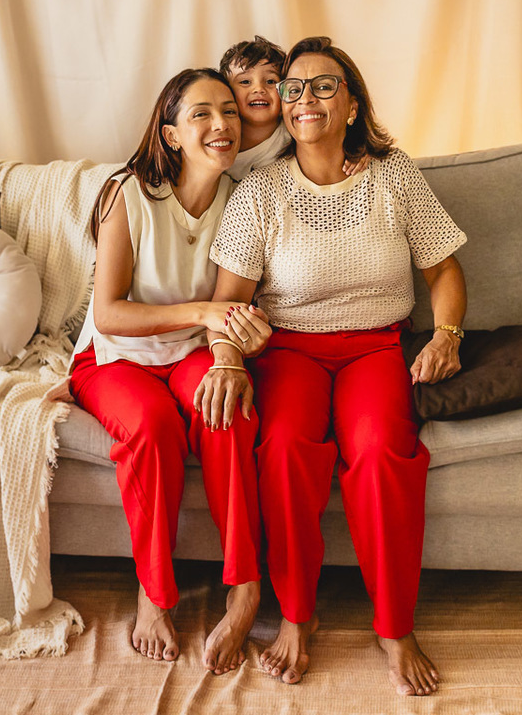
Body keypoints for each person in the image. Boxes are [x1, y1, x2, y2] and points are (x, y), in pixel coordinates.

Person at [200, 37, 468, 697]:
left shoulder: (393, 173)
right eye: (294, 89)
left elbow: (444, 268)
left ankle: (394, 625)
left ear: (351, 103)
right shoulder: (260, 191)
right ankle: (297, 613)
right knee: (286, 446)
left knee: (380, 452)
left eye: (323, 86)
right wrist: (228, 358)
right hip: (289, 347)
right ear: (284, 110)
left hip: (375, 345)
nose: (305, 98)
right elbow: (226, 304)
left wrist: (449, 335)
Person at [69, 68, 271, 674]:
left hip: (193, 353)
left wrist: (235, 336)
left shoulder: (246, 197)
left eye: (231, 113)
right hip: (115, 357)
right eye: (202, 115)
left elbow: (234, 310)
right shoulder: (126, 194)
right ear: (171, 134)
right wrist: (207, 310)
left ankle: (244, 586)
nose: (222, 125)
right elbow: (109, 314)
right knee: (153, 426)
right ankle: (154, 592)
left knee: (229, 413)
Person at [219, 35, 368, 181]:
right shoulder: (220, 135)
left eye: (271, 81)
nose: (259, 89)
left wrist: (360, 150)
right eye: (245, 82)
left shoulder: (295, 132)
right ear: (227, 92)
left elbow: (334, 136)